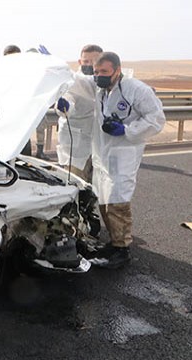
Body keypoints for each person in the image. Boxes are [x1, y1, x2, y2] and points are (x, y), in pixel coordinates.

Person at [90, 51, 165, 268]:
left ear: (117, 70)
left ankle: (122, 250)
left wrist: (127, 130)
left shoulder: (136, 90)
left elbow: (156, 119)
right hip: (104, 154)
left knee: (118, 201)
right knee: (104, 199)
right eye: (96, 72)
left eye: (103, 71)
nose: (99, 76)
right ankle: (114, 243)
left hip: (124, 154)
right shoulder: (101, 91)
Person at [55, 44, 103, 182]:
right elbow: (69, 100)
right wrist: (64, 106)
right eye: (86, 61)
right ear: (79, 62)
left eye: (94, 61)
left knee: (100, 190)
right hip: (77, 148)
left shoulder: (106, 81)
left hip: (100, 147)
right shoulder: (73, 82)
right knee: (76, 187)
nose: (90, 65)